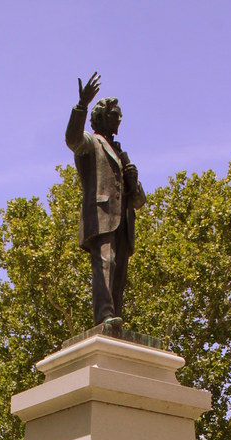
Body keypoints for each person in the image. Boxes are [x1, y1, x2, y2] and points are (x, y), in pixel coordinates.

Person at [65, 72, 146, 331]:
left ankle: (115, 319)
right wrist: (81, 105)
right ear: (101, 118)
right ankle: (104, 316)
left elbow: (139, 201)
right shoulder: (92, 143)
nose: (119, 119)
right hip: (101, 215)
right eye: (114, 115)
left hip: (123, 221)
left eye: (120, 115)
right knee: (105, 263)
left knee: (119, 273)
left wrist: (133, 179)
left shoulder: (122, 154)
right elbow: (72, 139)